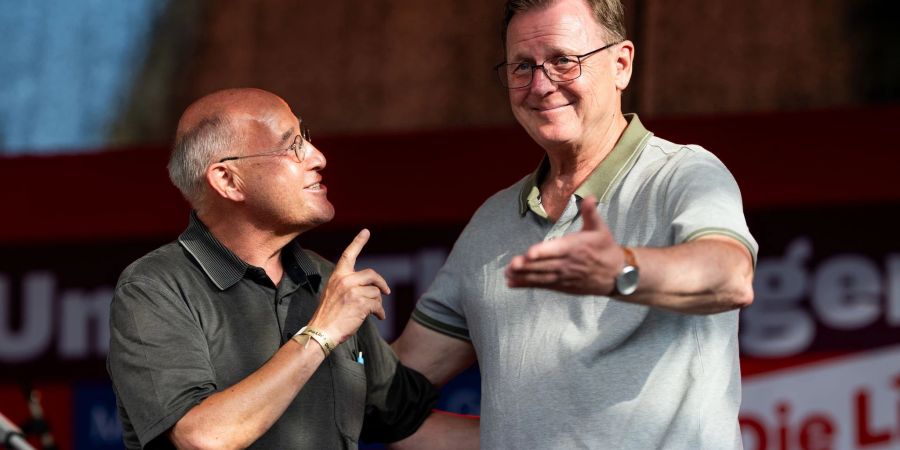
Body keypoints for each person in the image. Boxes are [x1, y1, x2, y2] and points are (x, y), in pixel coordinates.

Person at [393, 0, 757, 448]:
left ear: (621, 64)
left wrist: (621, 272)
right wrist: (314, 337)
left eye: (563, 61)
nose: (540, 85)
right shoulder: (492, 221)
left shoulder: (682, 173)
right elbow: (393, 387)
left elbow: (729, 277)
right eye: (522, 67)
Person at [107, 88, 477, 449]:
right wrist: (321, 332)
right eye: (292, 146)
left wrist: (531, 431)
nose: (318, 157)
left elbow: (406, 427)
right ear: (227, 180)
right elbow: (203, 437)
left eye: (307, 139)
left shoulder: (329, 282)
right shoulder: (155, 287)